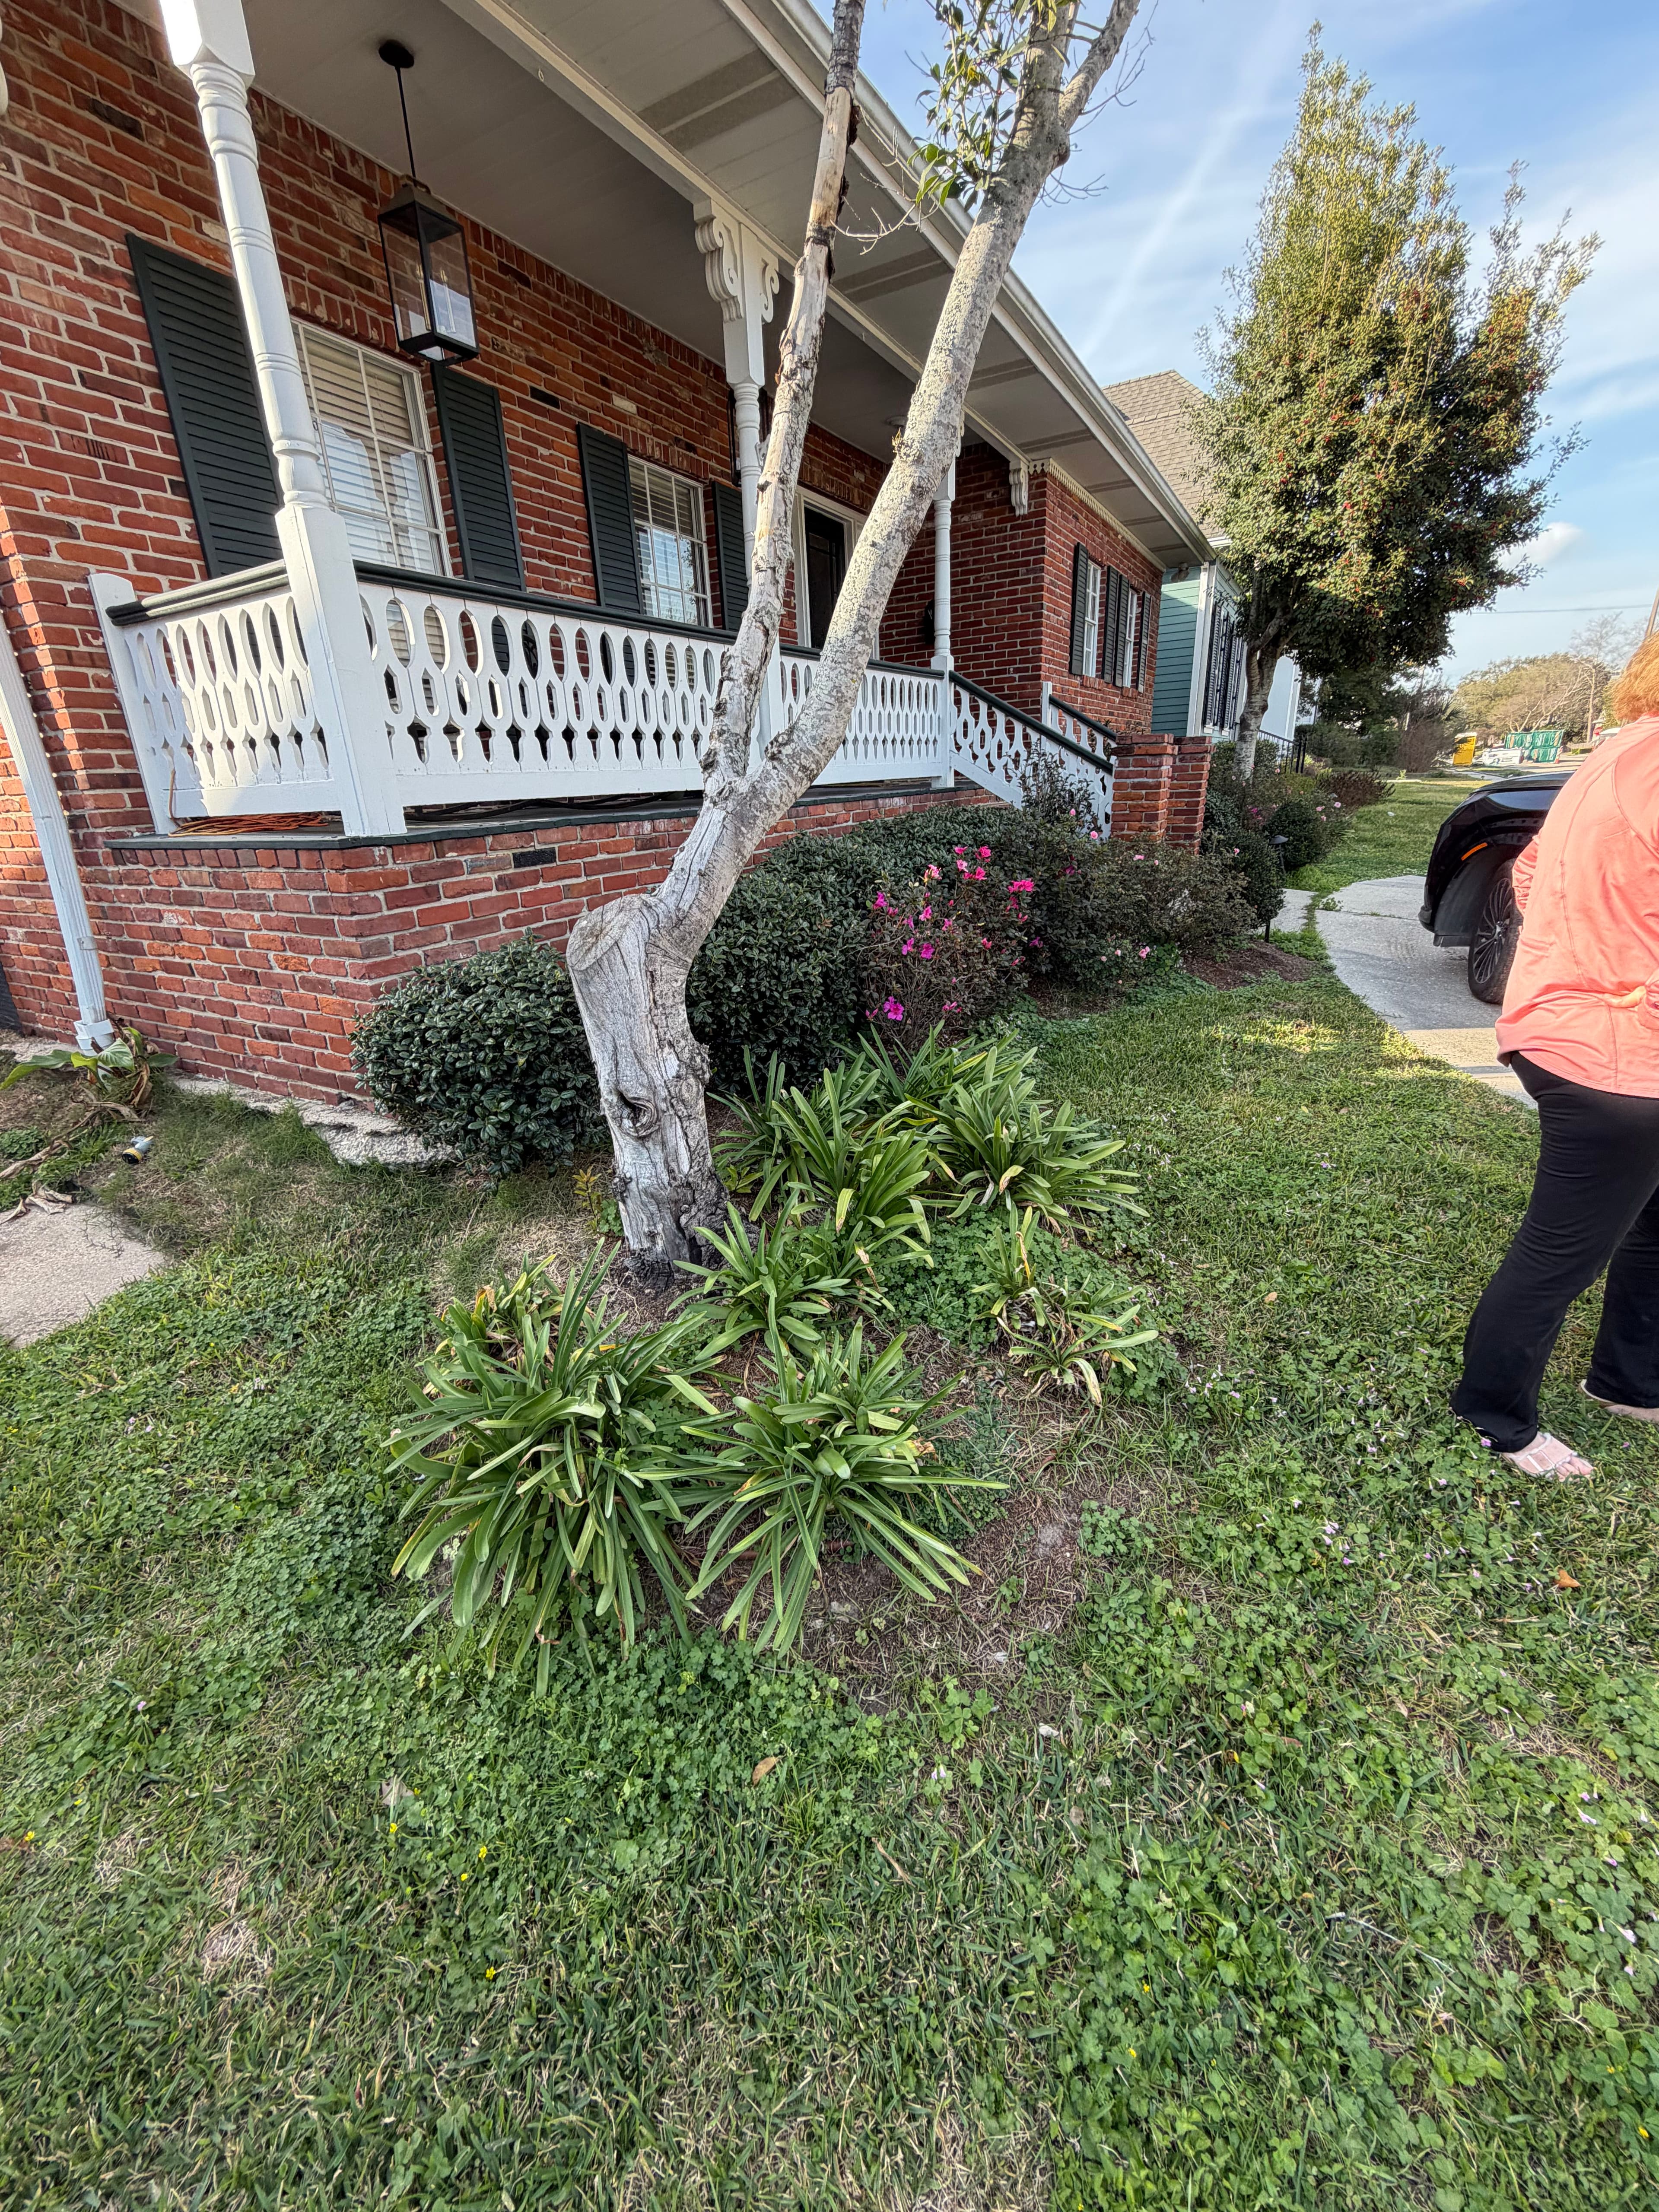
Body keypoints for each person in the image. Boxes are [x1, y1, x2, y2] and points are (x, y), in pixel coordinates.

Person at [1452, 636, 1659, 1479]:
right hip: (1620, 1055)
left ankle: (1629, 1379)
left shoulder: (1621, 752)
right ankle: (1494, 1416)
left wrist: (1583, 950)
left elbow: (1530, 871)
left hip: (1567, 1023)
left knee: (1652, 1218)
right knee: (1559, 1250)